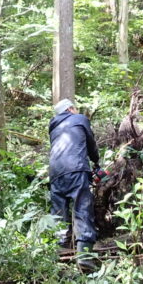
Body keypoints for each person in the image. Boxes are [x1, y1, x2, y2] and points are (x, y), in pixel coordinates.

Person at [49, 98, 101, 271]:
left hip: (55, 173)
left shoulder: (54, 126)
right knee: (82, 209)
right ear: (70, 109)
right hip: (76, 169)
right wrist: (96, 161)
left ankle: (59, 254)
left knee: (58, 213)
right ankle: (85, 257)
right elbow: (90, 143)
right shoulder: (79, 119)